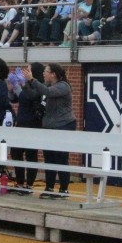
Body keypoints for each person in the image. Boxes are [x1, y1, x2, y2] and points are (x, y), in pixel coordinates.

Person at [21, 63, 75, 199]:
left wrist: (32, 79)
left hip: (63, 125)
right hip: (49, 126)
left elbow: (48, 92)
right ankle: (49, 187)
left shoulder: (63, 86)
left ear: (53, 74)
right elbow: (34, 94)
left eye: (46, 71)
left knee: (61, 157)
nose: (44, 73)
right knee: (49, 157)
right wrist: (23, 84)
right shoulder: (48, 85)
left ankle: (64, 189)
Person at [9, 63, 45, 192]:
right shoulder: (26, 85)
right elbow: (14, 99)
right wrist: (12, 87)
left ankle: (29, 184)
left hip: (33, 123)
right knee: (16, 152)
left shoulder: (39, 86)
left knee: (31, 154)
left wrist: (20, 85)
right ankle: (19, 182)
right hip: (21, 121)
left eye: (28, 70)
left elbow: (30, 97)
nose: (25, 71)